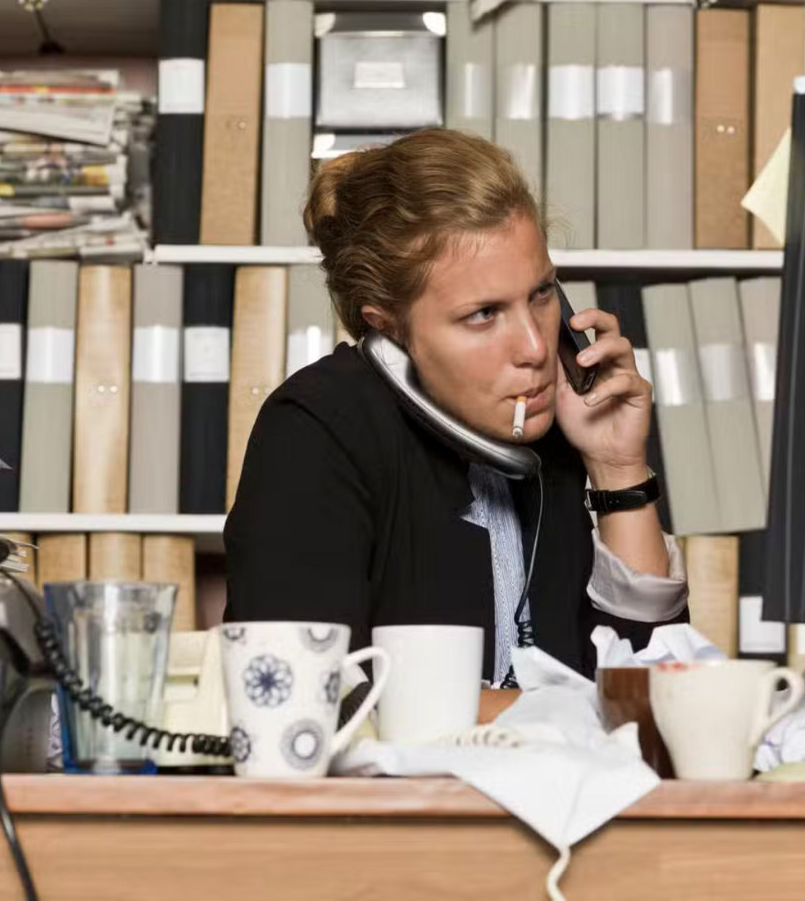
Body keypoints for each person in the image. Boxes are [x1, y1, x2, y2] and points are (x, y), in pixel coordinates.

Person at [225, 128, 687, 682]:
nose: (536, 348)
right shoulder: (317, 428)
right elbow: (309, 697)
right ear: (389, 329)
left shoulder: (559, 431)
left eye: (541, 294)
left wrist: (618, 470)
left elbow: (651, 686)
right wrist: (578, 711)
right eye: (484, 314)